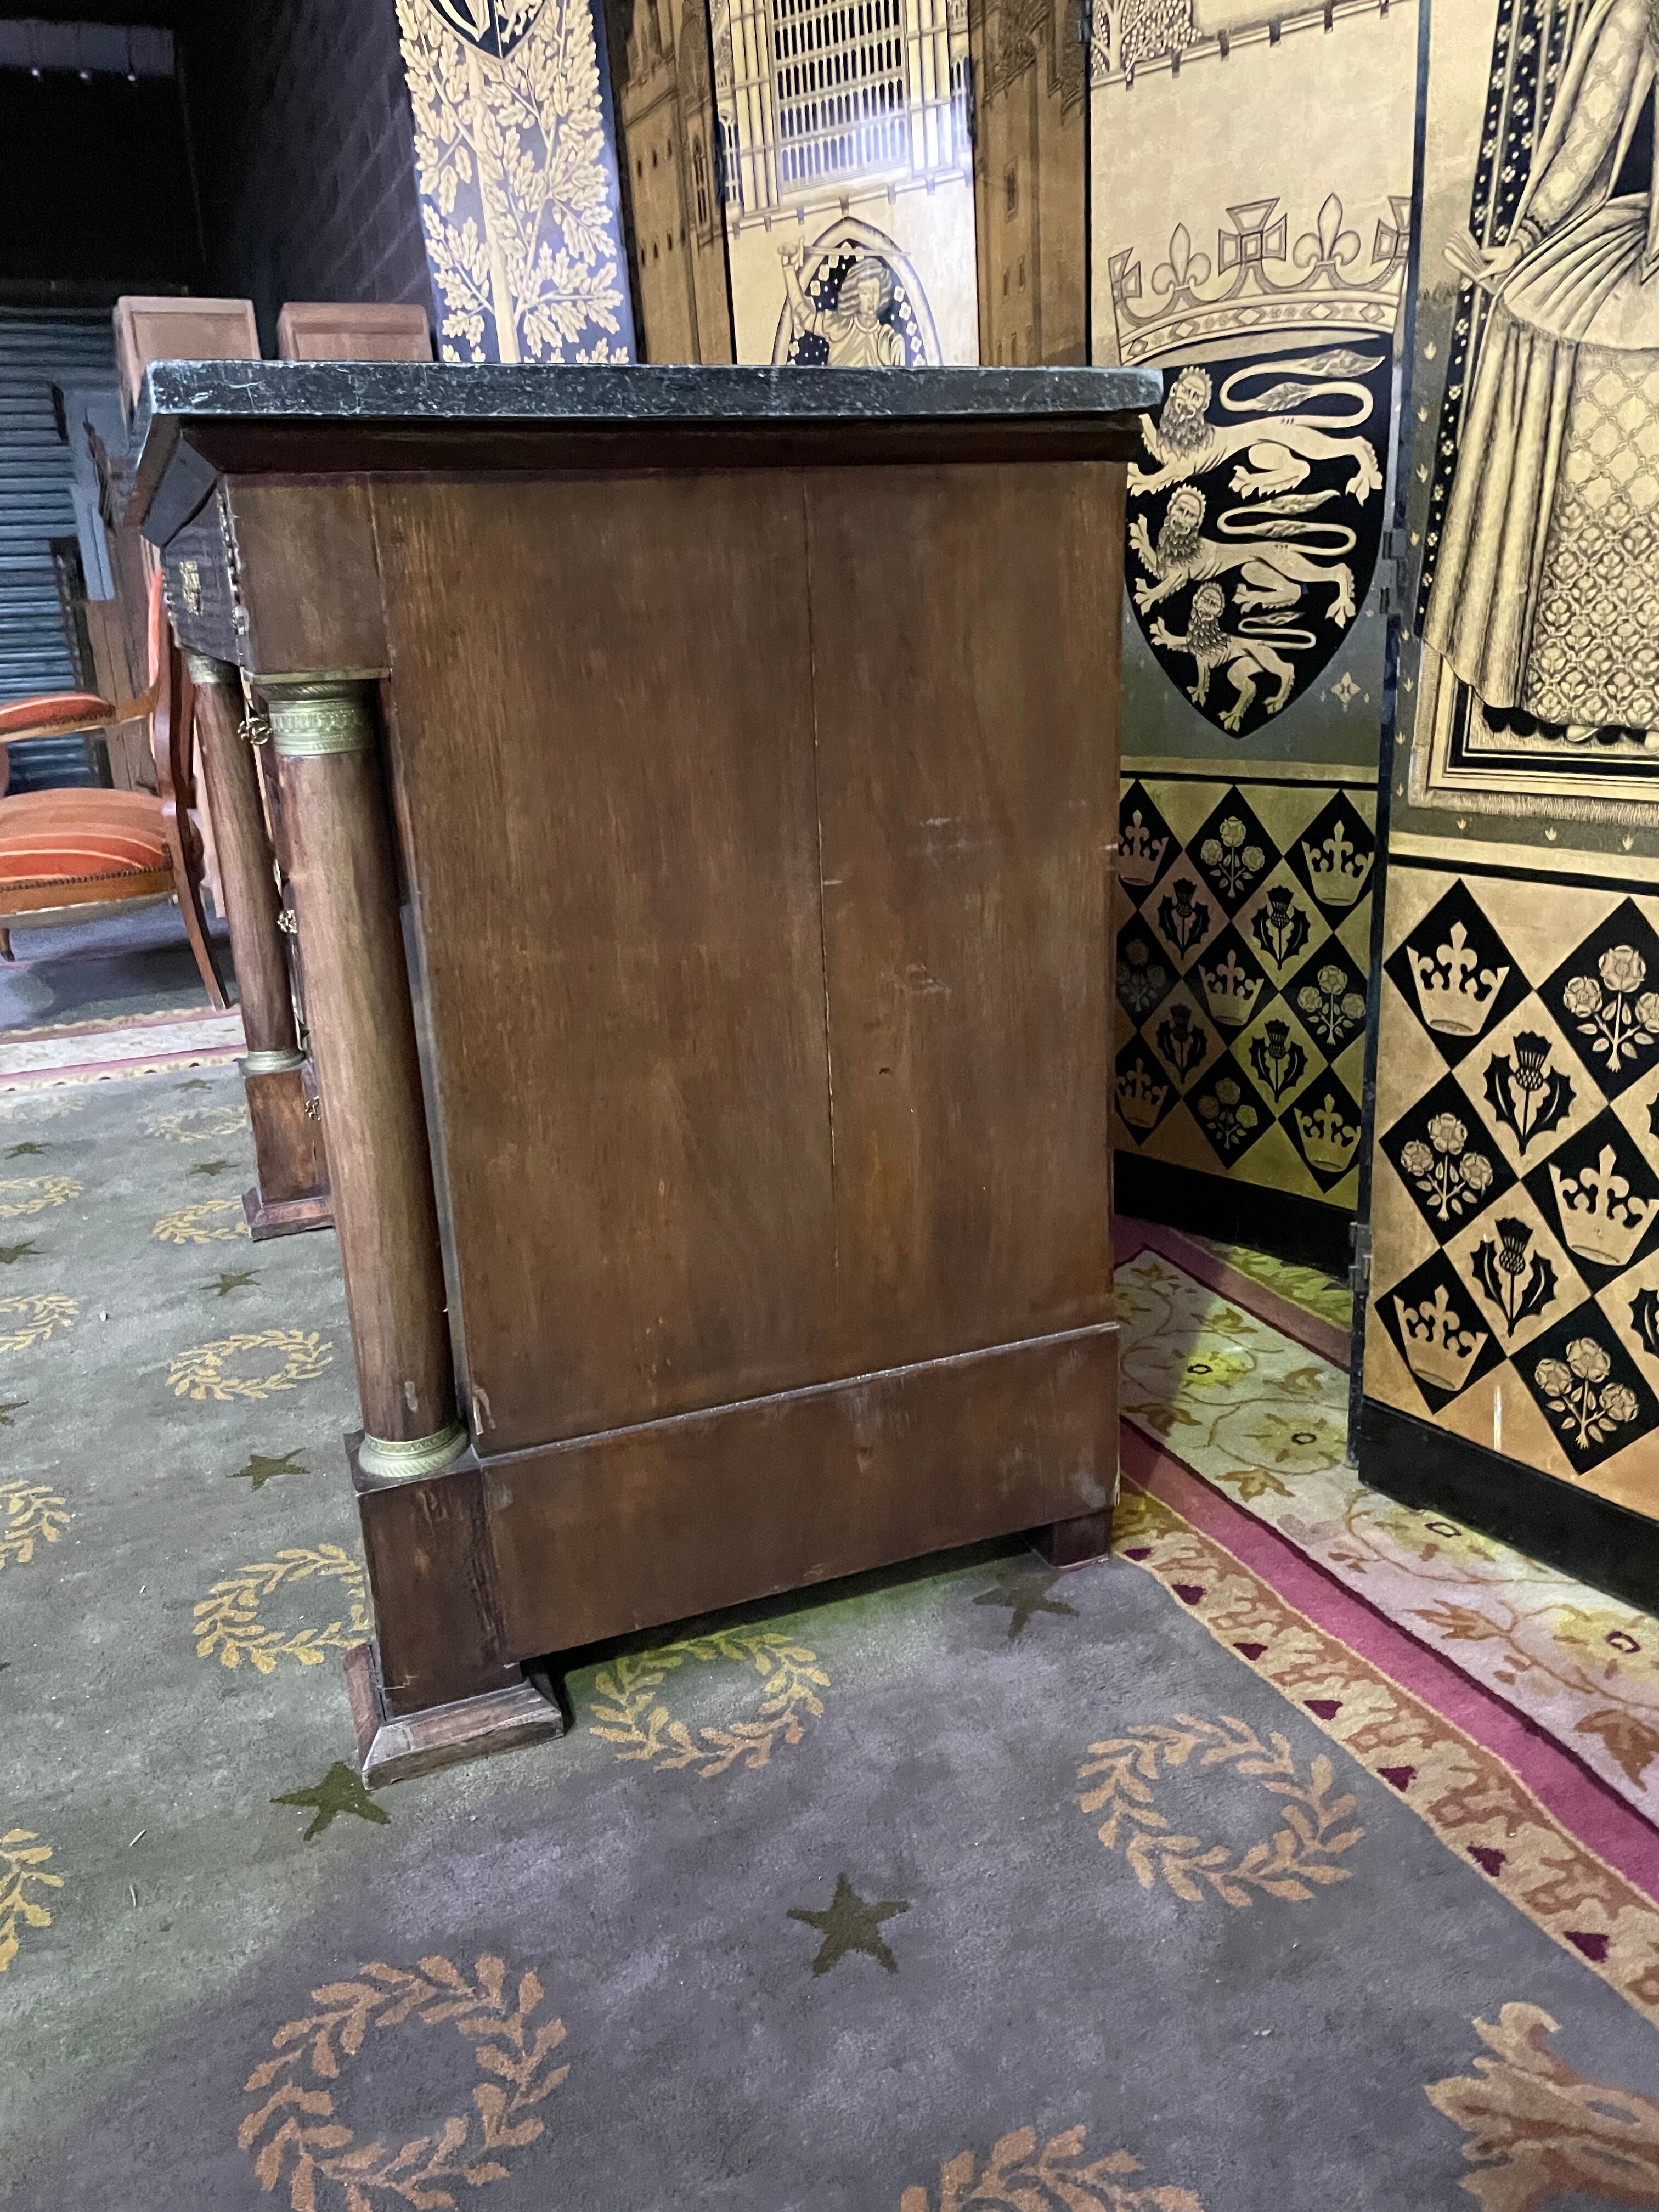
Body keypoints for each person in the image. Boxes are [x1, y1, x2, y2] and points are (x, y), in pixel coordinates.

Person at [1424, 0, 1659, 731]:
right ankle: (1575, 686)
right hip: (1635, 256)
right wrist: (1525, 241)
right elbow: (1590, 131)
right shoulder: (1637, 12)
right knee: (1547, 336)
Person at [778, 242, 905, 367]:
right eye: (865, 292)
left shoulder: (890, 340)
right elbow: (804, 315)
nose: (872, 299)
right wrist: (789, 269)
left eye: (875, 292)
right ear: (855, 295)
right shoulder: (840, 325)